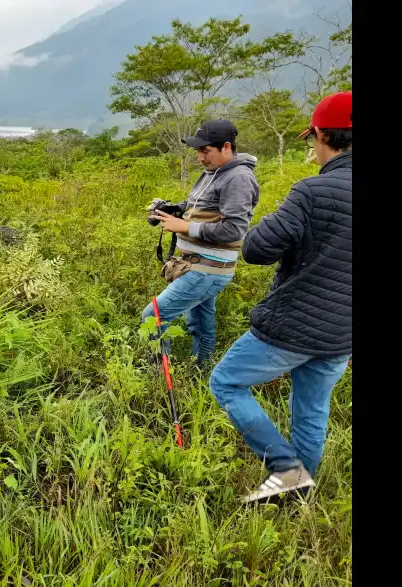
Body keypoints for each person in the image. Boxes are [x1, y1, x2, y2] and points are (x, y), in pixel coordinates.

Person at [208, 91, 352, 504]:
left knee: (226, 382)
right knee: (311, 408)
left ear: (321, 135)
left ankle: (286, 469)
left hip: (294, 326)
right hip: (341, 333)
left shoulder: (311, 192)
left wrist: (287, 212)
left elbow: (255, 249)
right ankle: (299, 492)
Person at [145, 119, 260, 366]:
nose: (200, 157)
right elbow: (198, 208)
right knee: (199, 319)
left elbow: (235, 228)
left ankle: (158, 373)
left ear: (226, 147)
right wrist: (171, 209)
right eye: (198, 151)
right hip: (197, 265)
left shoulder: (238, 178)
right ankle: (201, 369)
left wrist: (185, 226)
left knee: (153, 315)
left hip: (209, 268)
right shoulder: (213, 172)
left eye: (205, 150)